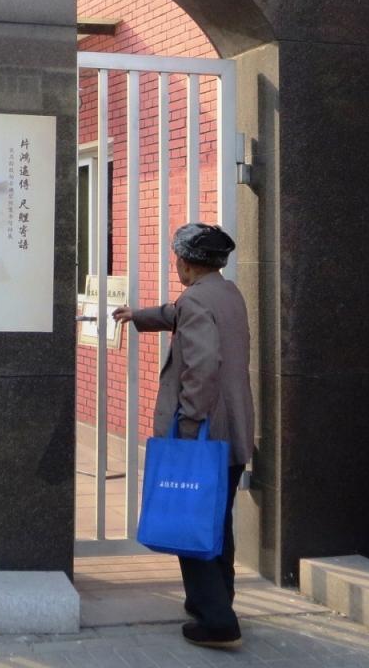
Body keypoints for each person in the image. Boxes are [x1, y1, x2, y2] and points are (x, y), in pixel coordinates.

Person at [112, 223, 254, 650]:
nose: (175, 264)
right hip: (233, 431)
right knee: (217, 521)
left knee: (190, 523)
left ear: (187, 263)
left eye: (176, 258)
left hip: (204, 435)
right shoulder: (226, 293)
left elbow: (202, 367)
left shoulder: (195, 300)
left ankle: (217, 621)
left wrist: (188, 426)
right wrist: (139, 316)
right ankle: (217, 602)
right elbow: (177, 314)